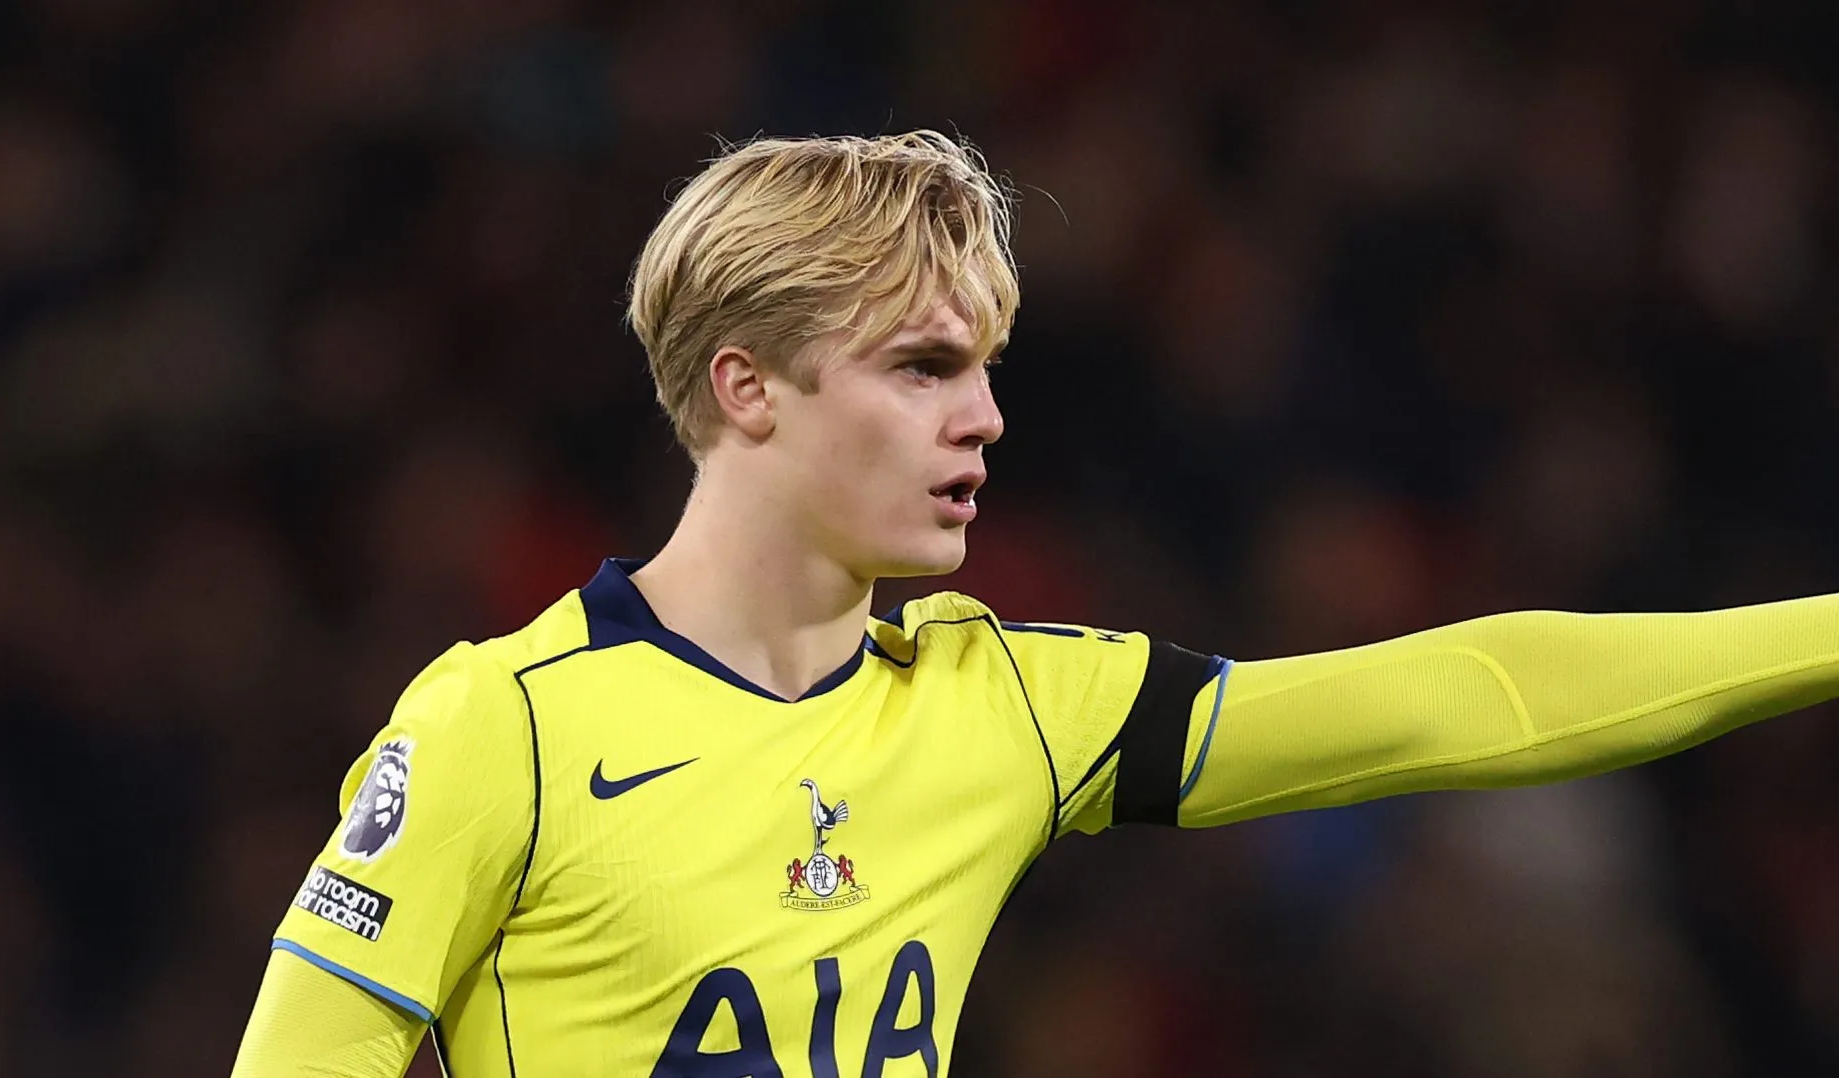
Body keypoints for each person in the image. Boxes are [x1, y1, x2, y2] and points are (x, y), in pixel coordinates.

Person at [231, 131, 1839, 1077]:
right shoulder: (498, 727)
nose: (983, 417)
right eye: (922, 367)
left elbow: (1468, 698)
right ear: (750, 388)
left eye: (985, 368)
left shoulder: (1007, 704)